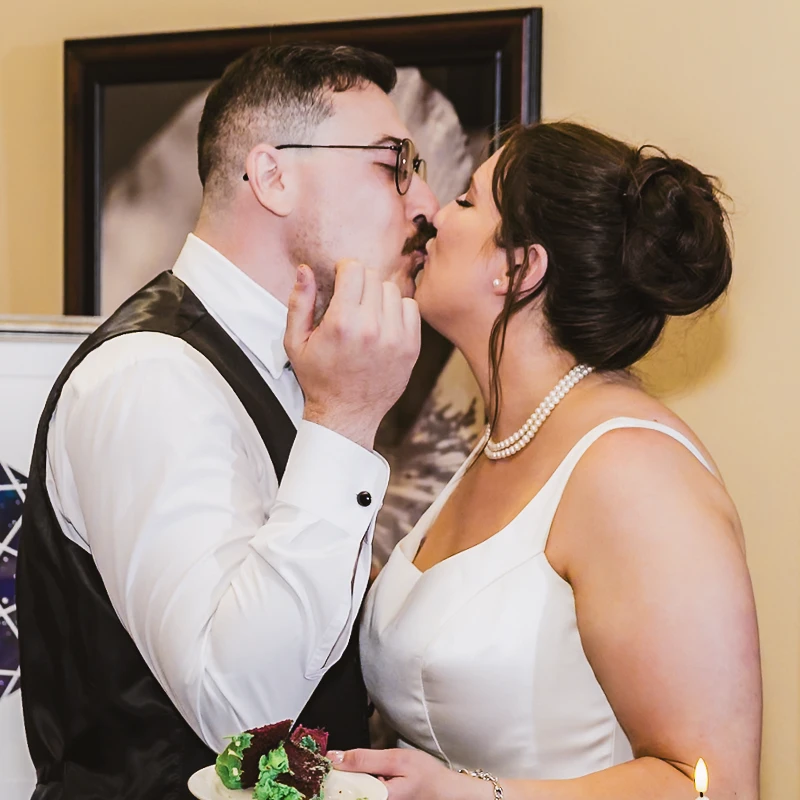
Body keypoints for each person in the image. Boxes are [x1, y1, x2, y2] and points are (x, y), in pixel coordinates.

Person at [16, 43, 438, 799]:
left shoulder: (295, 365)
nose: (424, 205)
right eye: (392, 163)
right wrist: (342, 423)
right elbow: (241, 716)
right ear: (272, 176)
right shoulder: (150, 376)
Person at [331, 123, 762, 799]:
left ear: (519, 268)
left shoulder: (635, 473)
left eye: (468, 202)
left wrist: (471, 795)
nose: (434, 216)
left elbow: (713, 786)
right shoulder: (507, 438)